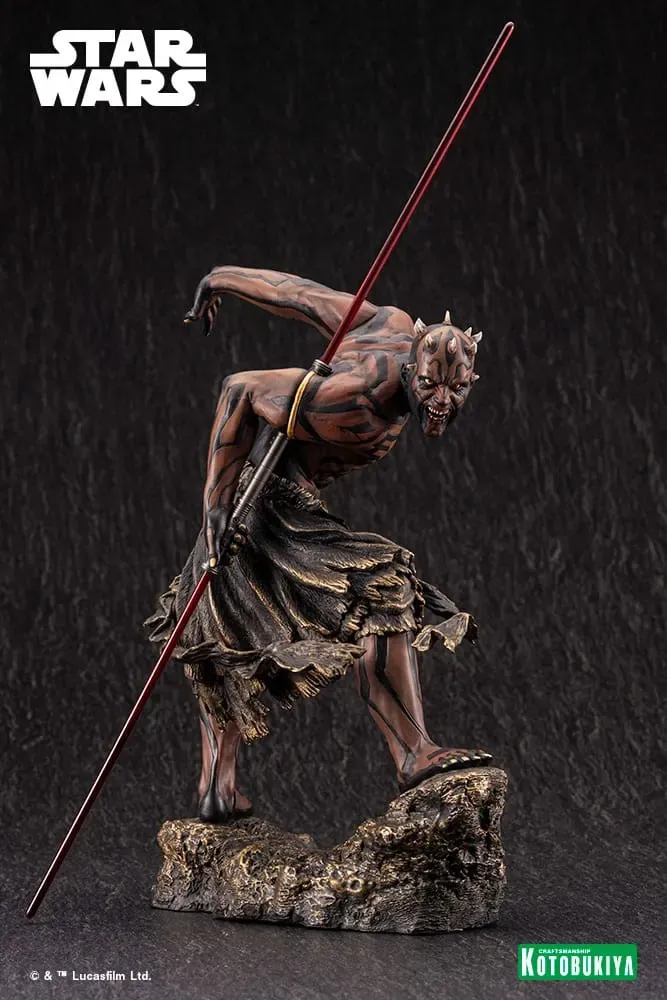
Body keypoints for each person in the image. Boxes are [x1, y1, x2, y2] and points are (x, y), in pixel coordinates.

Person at [144, 265, 492, 822]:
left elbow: (303, 296)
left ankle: (218, 788)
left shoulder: (391, 324)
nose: (442, 401)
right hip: (264, 511)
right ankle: (412, 753)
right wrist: (216, 507)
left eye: (459, 388)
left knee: (225, 637)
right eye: (430, 385)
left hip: (263, 506)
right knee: (384, 588)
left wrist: (220, 279)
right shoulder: (354, 402)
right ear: (412, 368)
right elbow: (240, 389)